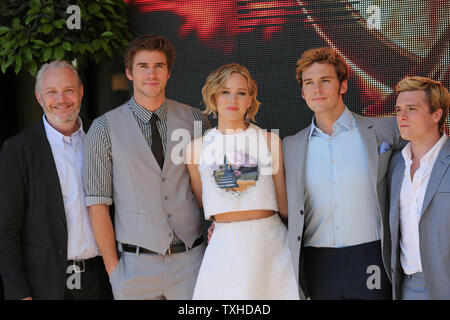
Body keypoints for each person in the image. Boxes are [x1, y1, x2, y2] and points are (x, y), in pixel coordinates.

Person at [82, 35, 210, 300]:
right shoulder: (104, 128)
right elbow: (97, 205)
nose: (151, 73)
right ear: (129, 73)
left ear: (169, 72)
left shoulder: (196, 120)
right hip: (134, 268)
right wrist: (114, 272)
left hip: (191, 262)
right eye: (143, 66)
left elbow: (212, 187)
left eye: (159, 66)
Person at [283, 47, 404, 299]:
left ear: (343, 85)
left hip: (371, 255)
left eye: (325, 80)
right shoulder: (289, 146)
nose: (317, 89)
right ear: (303, 92)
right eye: (309, 83)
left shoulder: (385, 130)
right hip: (317, 260)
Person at [0, 60, 112, 300]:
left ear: (81, 92)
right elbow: (6, 230)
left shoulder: (102, 137)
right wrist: (19, 293)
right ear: (39, 97)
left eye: (69, 90)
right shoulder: (17, 151)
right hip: (46, 286)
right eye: (52, 92)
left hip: (100, 279)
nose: (62, 99)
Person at [187, 63, 299, 299]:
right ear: (213, 96)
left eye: (241, 93)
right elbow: (204, 203)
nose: (233, 99)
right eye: (225, 91)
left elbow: (285, 206)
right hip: (224, 249)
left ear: (250, 100)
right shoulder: (195, 150)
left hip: (270, 246)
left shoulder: (270, 141)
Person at [387, 76, 450, 299]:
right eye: (398, 110)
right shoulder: (394, 165)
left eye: (412, 109)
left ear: (437, 114)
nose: (401, 117)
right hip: (407, 286)